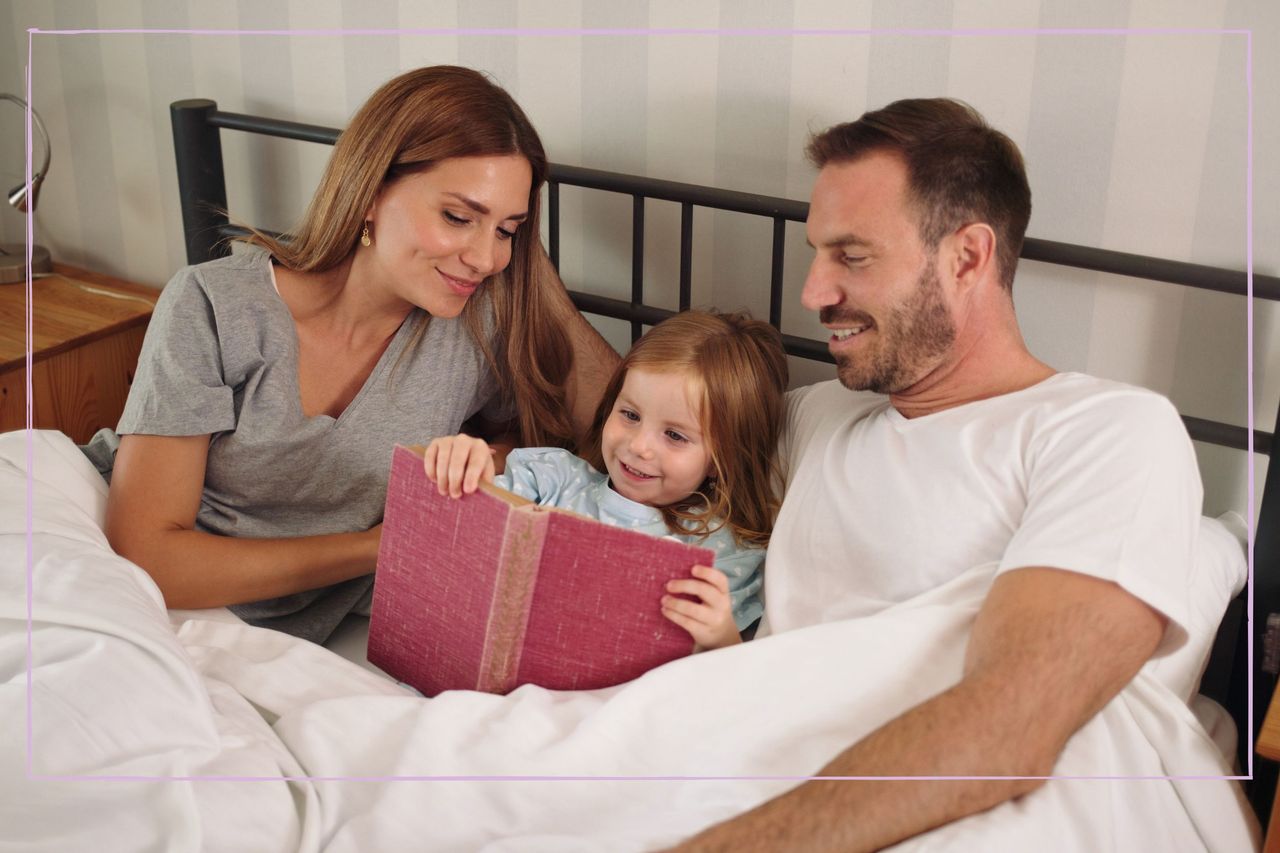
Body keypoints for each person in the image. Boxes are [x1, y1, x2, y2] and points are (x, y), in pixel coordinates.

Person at [670, 99, 1227, 850]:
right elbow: (633, 439)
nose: (812, 292)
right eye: (816, 252)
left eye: (852, 255)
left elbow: (1014, 723)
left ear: (967, 257)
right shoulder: (821, 415)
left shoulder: (1104, 430)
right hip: (746, 742)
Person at [85, 66, 619, 644]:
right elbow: (147, 553)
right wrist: (378, 546)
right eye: (459, 217)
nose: (486, 258)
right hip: (139, 590)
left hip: (284, 637)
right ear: (370, 192)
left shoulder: (477, 321)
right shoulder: (215, 307)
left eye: (507, 229)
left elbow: (620, 432)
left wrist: (531, 274)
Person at [424, 309, 788, 651]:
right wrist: (461, 466)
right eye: (630, 414)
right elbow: (459, 534)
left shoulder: (719, 550)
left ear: (720, 459)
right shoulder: (552, 479)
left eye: (675, 436)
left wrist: (720, 638)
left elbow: (729, 676)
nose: (639, 446)